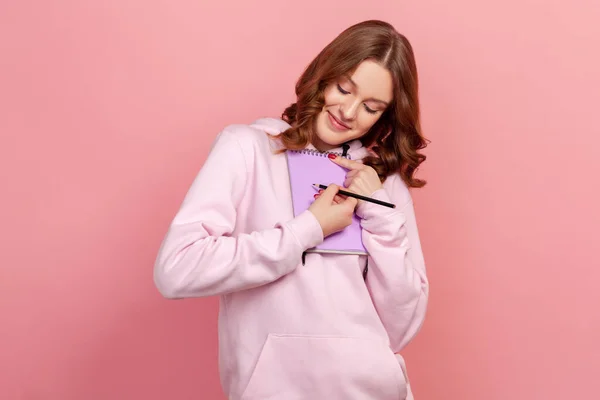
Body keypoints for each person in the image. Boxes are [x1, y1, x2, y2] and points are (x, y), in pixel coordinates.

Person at [154, 19, 429, 400]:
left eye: (370, 106)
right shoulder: (247, 148)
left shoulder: (381, 182)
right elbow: (177, 269)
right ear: (323, 74)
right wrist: (308, 229)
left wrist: (380, 212)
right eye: (343, 88)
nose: (348, 112)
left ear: (385, 115)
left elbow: (399, 328)